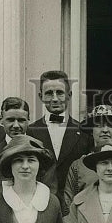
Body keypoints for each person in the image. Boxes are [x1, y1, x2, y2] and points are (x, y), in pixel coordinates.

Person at [27, 70, 91, 205]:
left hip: (76, 204)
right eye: (49, 93)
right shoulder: (31, 131)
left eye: (60, 93)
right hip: (40, 203)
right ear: (41, 96)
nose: (55, 98)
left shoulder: (84, 131)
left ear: (69, 95)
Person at [0, 97, 53, 202]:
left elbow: (49, 193)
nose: (16, 125)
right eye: (10, 120)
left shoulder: (41, 153)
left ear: (28, 120)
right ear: (1, 119)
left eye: (21, 120)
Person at [63, 105, 112, 209]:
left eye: (110, 125)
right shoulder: (78, 166)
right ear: (91, 130)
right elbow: (68, 206)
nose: (105, 130)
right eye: (99, 125)